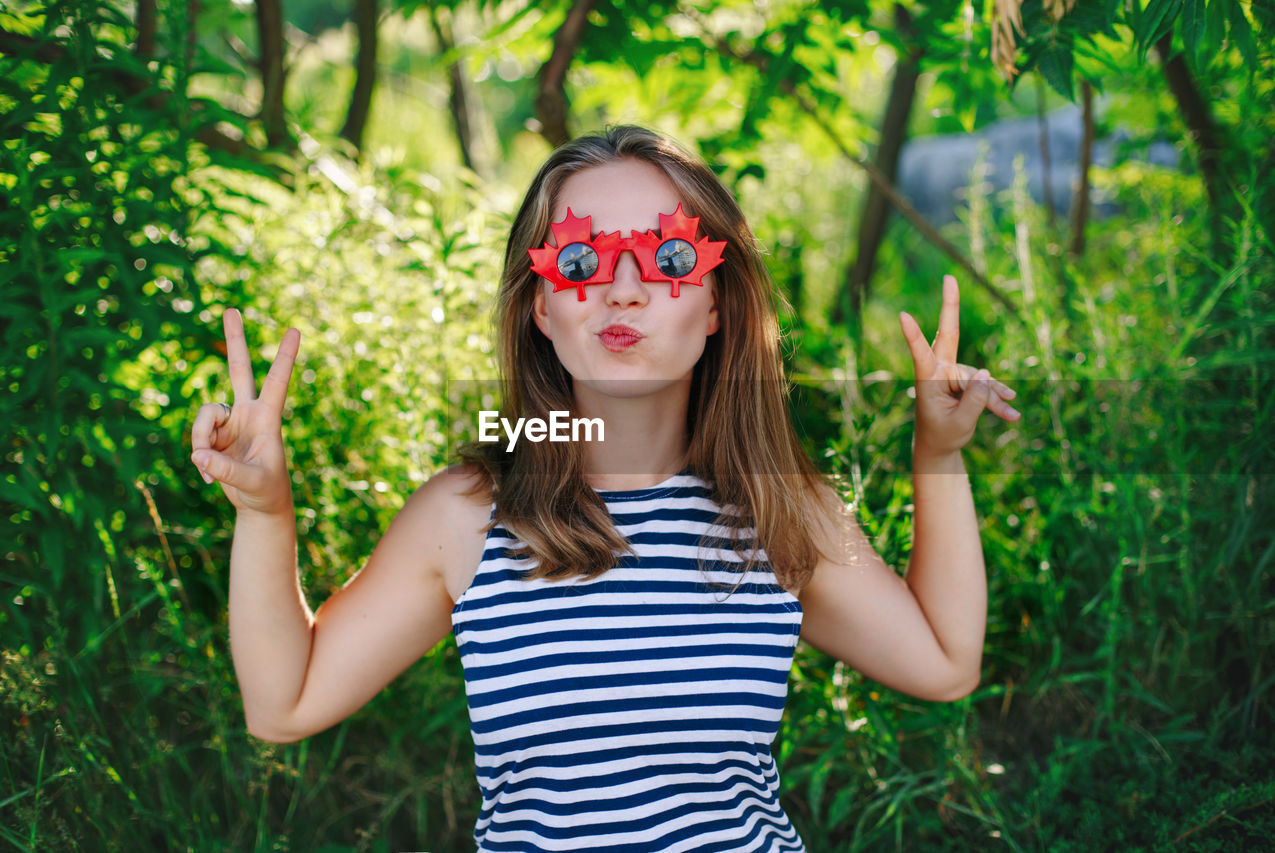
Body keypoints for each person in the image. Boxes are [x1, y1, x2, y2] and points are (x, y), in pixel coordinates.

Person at [188, 125, 1020, 852]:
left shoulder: (775, 507)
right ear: (542, 308)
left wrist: (937, 454)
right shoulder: (469, 514)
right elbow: (283, 703)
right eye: (582, 260)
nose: (624, 288)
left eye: (668, 258)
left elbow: (945, 663)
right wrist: (266, 511)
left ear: (718, 304)